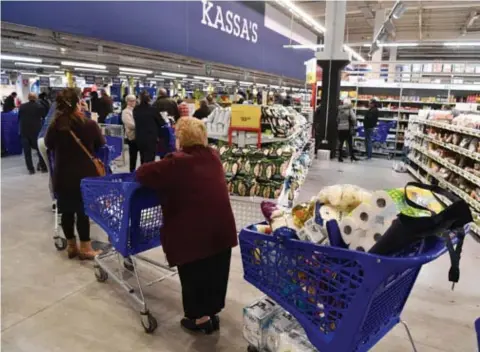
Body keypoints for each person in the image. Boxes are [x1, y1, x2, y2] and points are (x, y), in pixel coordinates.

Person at [136, 117, 237, 334]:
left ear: (180, 138)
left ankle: (199, 320)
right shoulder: (213, 156)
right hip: (221, 231)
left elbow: (142, 173)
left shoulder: (176, 162)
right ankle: (212, 314)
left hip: (193, 235)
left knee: (194, 276)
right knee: (215, 272)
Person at [45, 88, 105, 260]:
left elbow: (49, 145)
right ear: (78, 103)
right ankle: (85, 247)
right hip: (85, 175)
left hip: (62, 175)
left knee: (66, 211)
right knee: (82, 212)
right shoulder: (89, 124)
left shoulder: (55, 126)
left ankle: (71, 246)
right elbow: (100, 144)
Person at [18, 93, 48, 174]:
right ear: (36, 98)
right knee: (39, 150)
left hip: (24, 131)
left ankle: (31, 169)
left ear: (28, 98)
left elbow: (19, 117)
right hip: (36, 131)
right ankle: (43, 167)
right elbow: (44, 117)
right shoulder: (40, 107)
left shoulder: (22, 106)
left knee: (27, 152)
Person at [133, 91, 164, 164]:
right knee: (150, 159)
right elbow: (161, 122)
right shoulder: (153, 109)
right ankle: (149, 174)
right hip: (151, 138)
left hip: (139, 137)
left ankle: (143, 172)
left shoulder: (136, 109)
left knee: (142, 157)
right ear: (149, 99)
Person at [38, 101, 57, 208]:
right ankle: (59, 201)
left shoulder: (55, 105)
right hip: (51, 140)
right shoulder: (69, 108)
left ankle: (54, 200)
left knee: (52, 171)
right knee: (58, 172)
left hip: (41, 139)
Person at [337, 98, 358, 162]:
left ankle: (340, 157)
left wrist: (339, 124)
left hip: (341, 128)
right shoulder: (349, 109)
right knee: (350, 143)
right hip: (348, 128)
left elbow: (337, 119)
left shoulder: (340, 109)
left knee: (341, 143)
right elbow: (354, 118)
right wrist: (354, 124)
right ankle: (352, 156)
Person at [122, 94, 138, 172]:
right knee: (133, 157)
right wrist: (140, 126)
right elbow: (130, 125)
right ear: (127, 102)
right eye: (131, 101)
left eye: (134, 101)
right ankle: (132, 172)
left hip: (138, 136)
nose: (133, 102)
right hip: (131, 137)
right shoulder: (125, 112)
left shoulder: (136, 110)